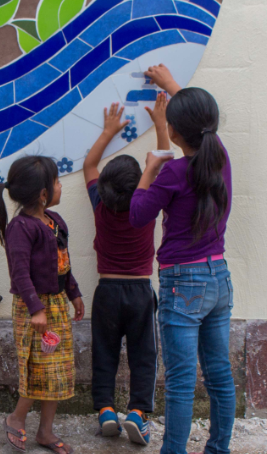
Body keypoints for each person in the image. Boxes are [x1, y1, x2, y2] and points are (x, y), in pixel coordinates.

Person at [130, 65, 235, 454]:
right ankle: (217, 449)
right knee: (220, 376)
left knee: (179, 382)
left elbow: (139, 214)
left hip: (182, 283)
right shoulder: (218, 157)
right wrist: (172, 86)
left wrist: (148, 170)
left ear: (174, 132)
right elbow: (200, 122)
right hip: (219, 278)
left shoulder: (171, 172)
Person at [80, 95, 170, 445]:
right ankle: (137, 413)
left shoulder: (100, 205)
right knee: (143, 355)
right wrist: (161, 125)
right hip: (139, 292)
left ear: (105, 188)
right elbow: (161, 162)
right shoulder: (144, 207)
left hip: (106, 291)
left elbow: (89, 165)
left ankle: (105, 409)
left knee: (104, 351)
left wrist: (108, 132)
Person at [0, 155, 87, 454]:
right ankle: (17, 417)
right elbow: (19, 273)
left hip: (56, 305)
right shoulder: (20, 228)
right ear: (44, 193)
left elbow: (64, 266)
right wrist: (36, 308)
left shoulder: (55, 222)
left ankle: (45, 432)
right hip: (34, 310)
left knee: (56, 371)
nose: (61, 186)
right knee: (38, 369)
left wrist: (74, 293)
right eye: (58, 182)